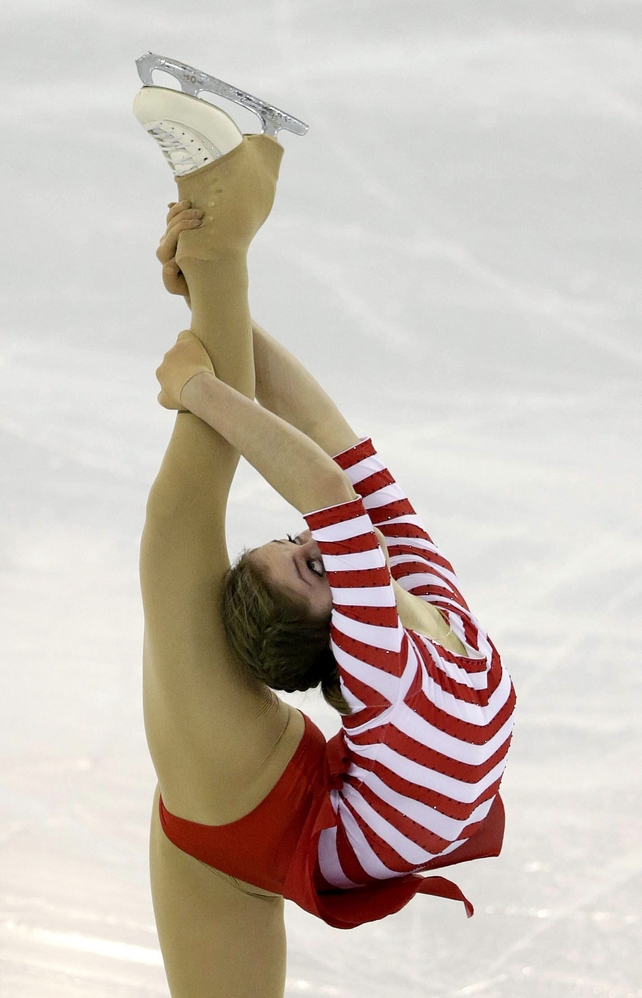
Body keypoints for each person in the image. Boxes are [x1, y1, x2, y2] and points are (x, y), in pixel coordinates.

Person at [138, 89, 516, 998]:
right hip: (262, 821)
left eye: (304, 547)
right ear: (337, 628)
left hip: (255, 820)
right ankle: (225, 224)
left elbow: (334, 469)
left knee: (173, 537)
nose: (318, 539)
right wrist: (207, 352)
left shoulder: (402, 606)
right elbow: (332, 477)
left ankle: (221, 231)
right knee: (178, 530)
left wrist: (217, 313)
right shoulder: (393, 643)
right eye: (313, 561)